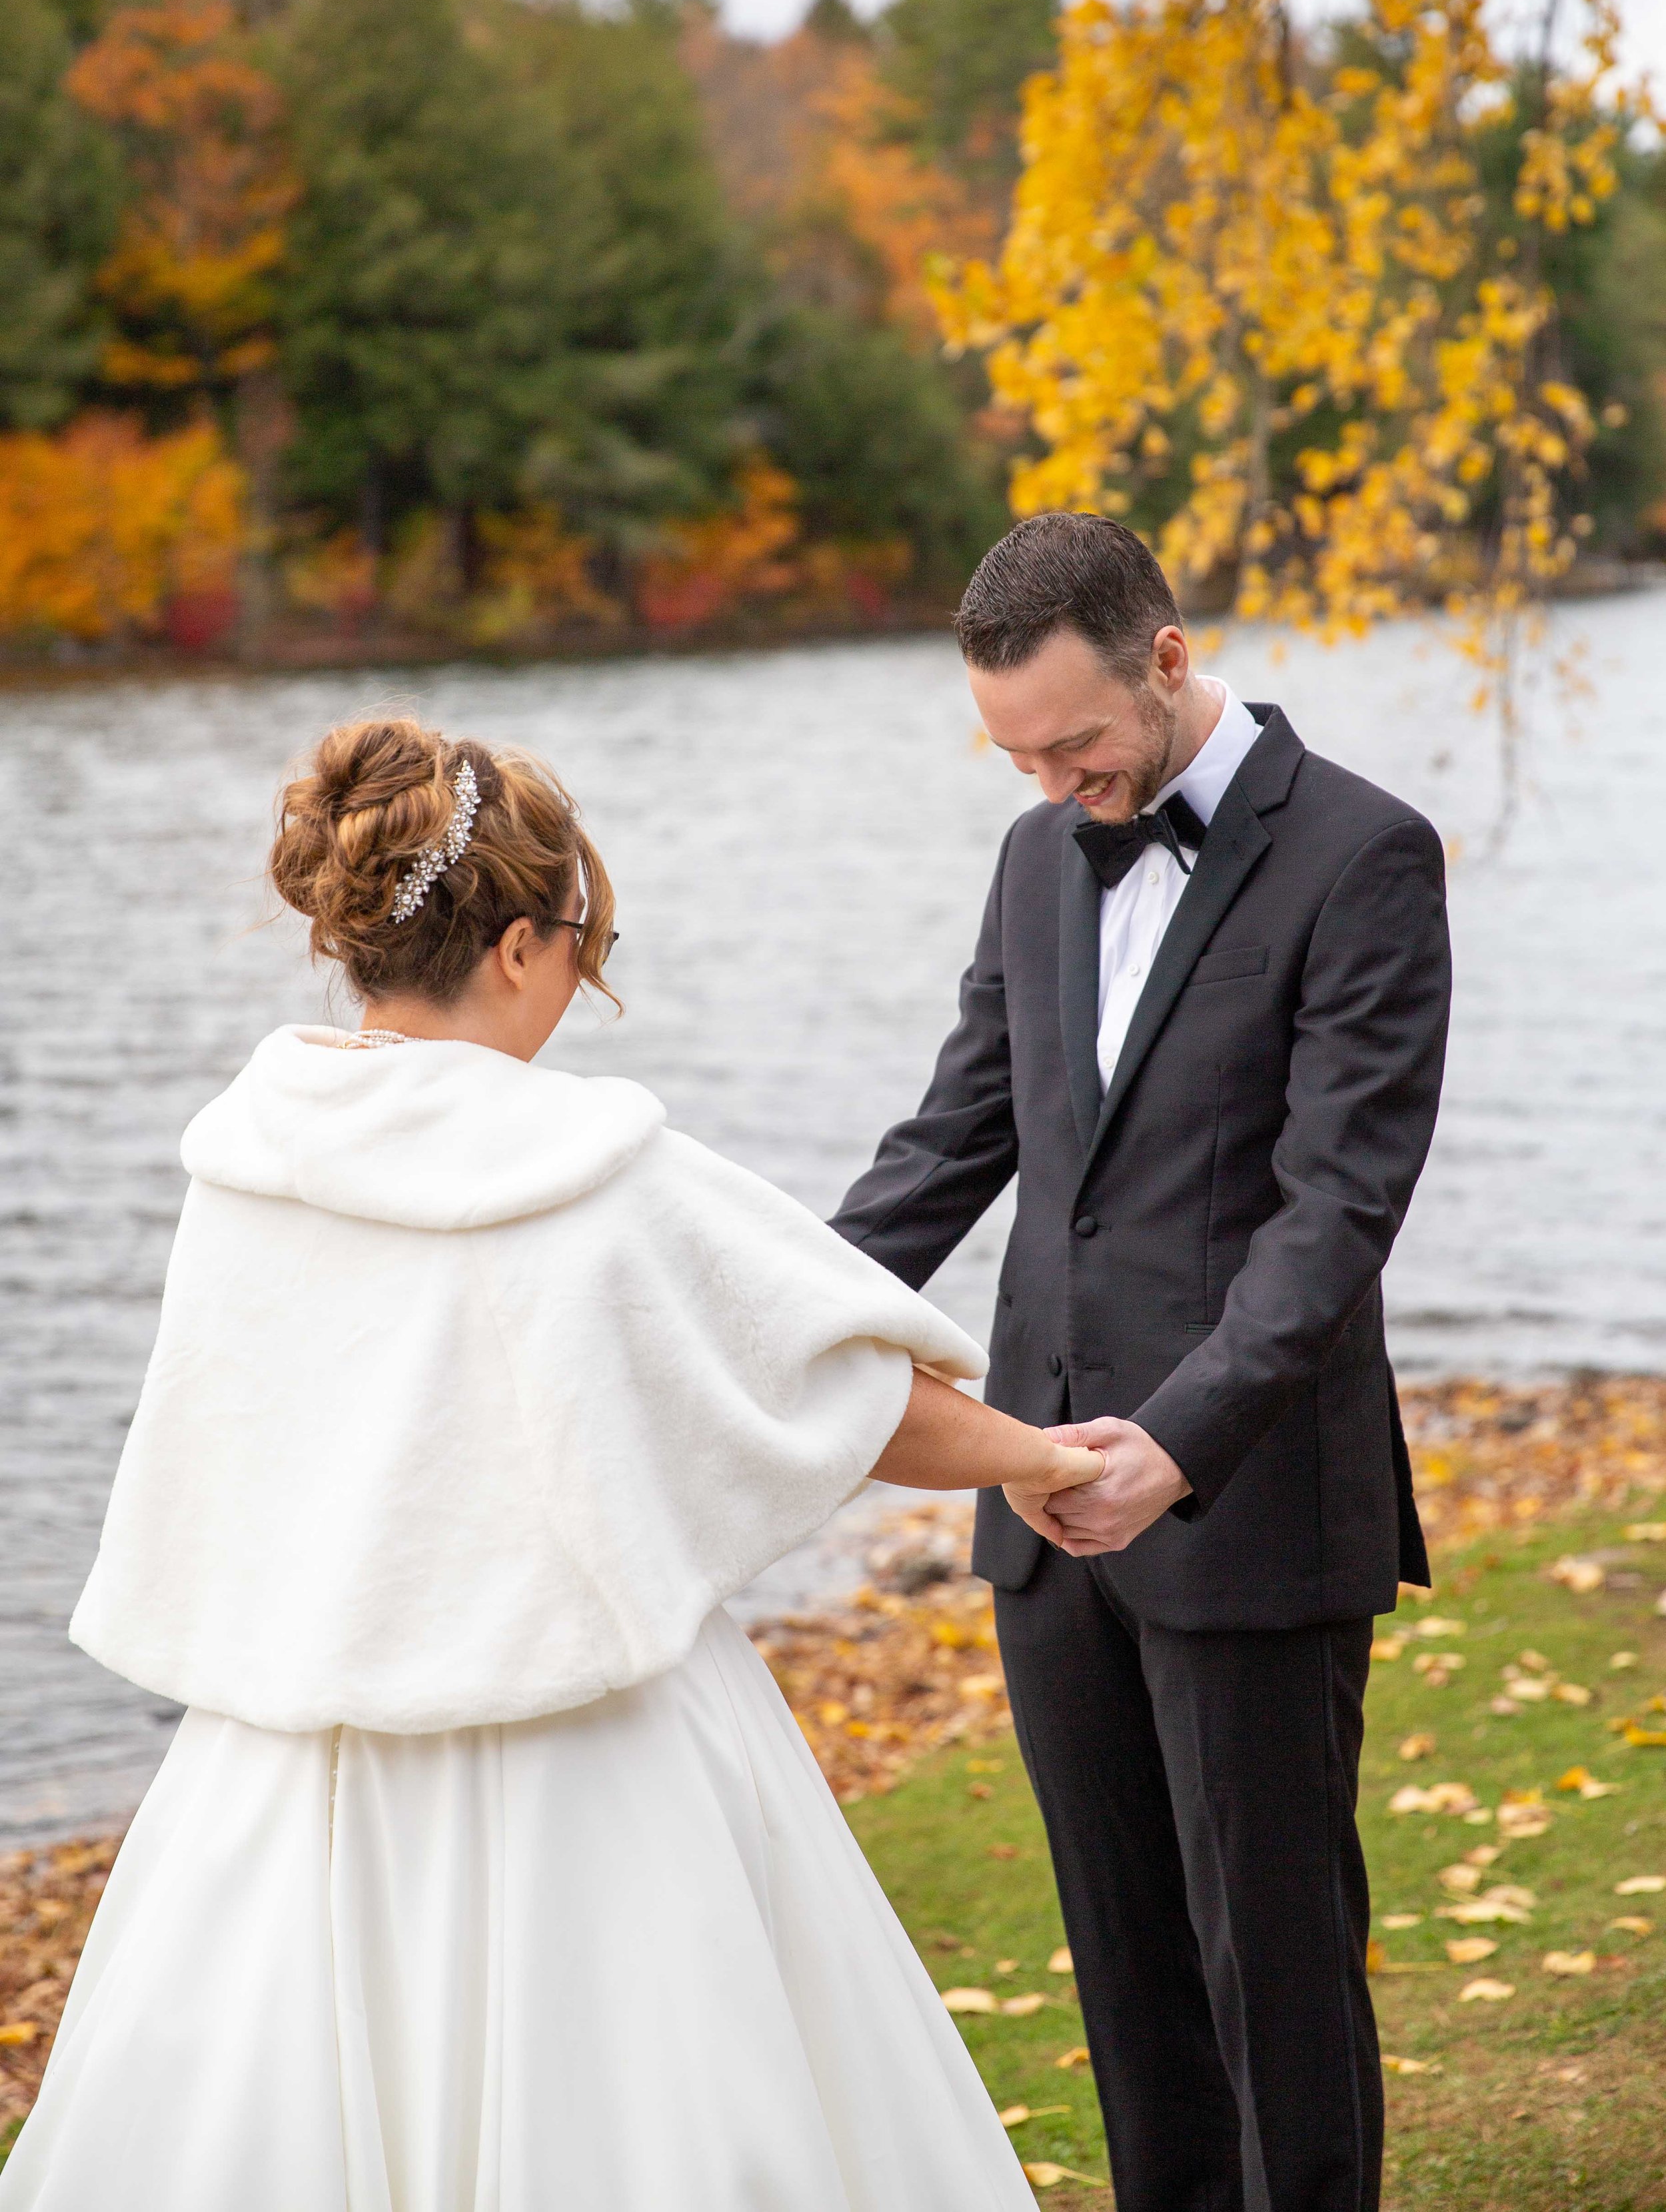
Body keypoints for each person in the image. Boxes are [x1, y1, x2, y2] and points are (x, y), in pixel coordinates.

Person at [1, 716, 1106, 2212]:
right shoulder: (585, 1159)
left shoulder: (245, 1163)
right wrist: (1032, 1457)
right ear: (519, 944)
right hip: (587, 1760)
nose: (584, 979)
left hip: (292, 1768)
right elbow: (839, 1381)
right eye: (585, 940)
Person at [832, 512, 1452, 2212]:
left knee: (1276, 1967)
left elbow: (1335, 1216)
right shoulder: (1039, 855)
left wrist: (1175, 1445)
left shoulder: (1365, 854)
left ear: (1165, 660)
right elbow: (952, 1142)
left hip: (1239, 1501)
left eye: (1074, 745)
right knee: (1123, 1970)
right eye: (1015, 756)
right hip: (1040, 1506)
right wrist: (771, 1315)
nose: (1050, 787)